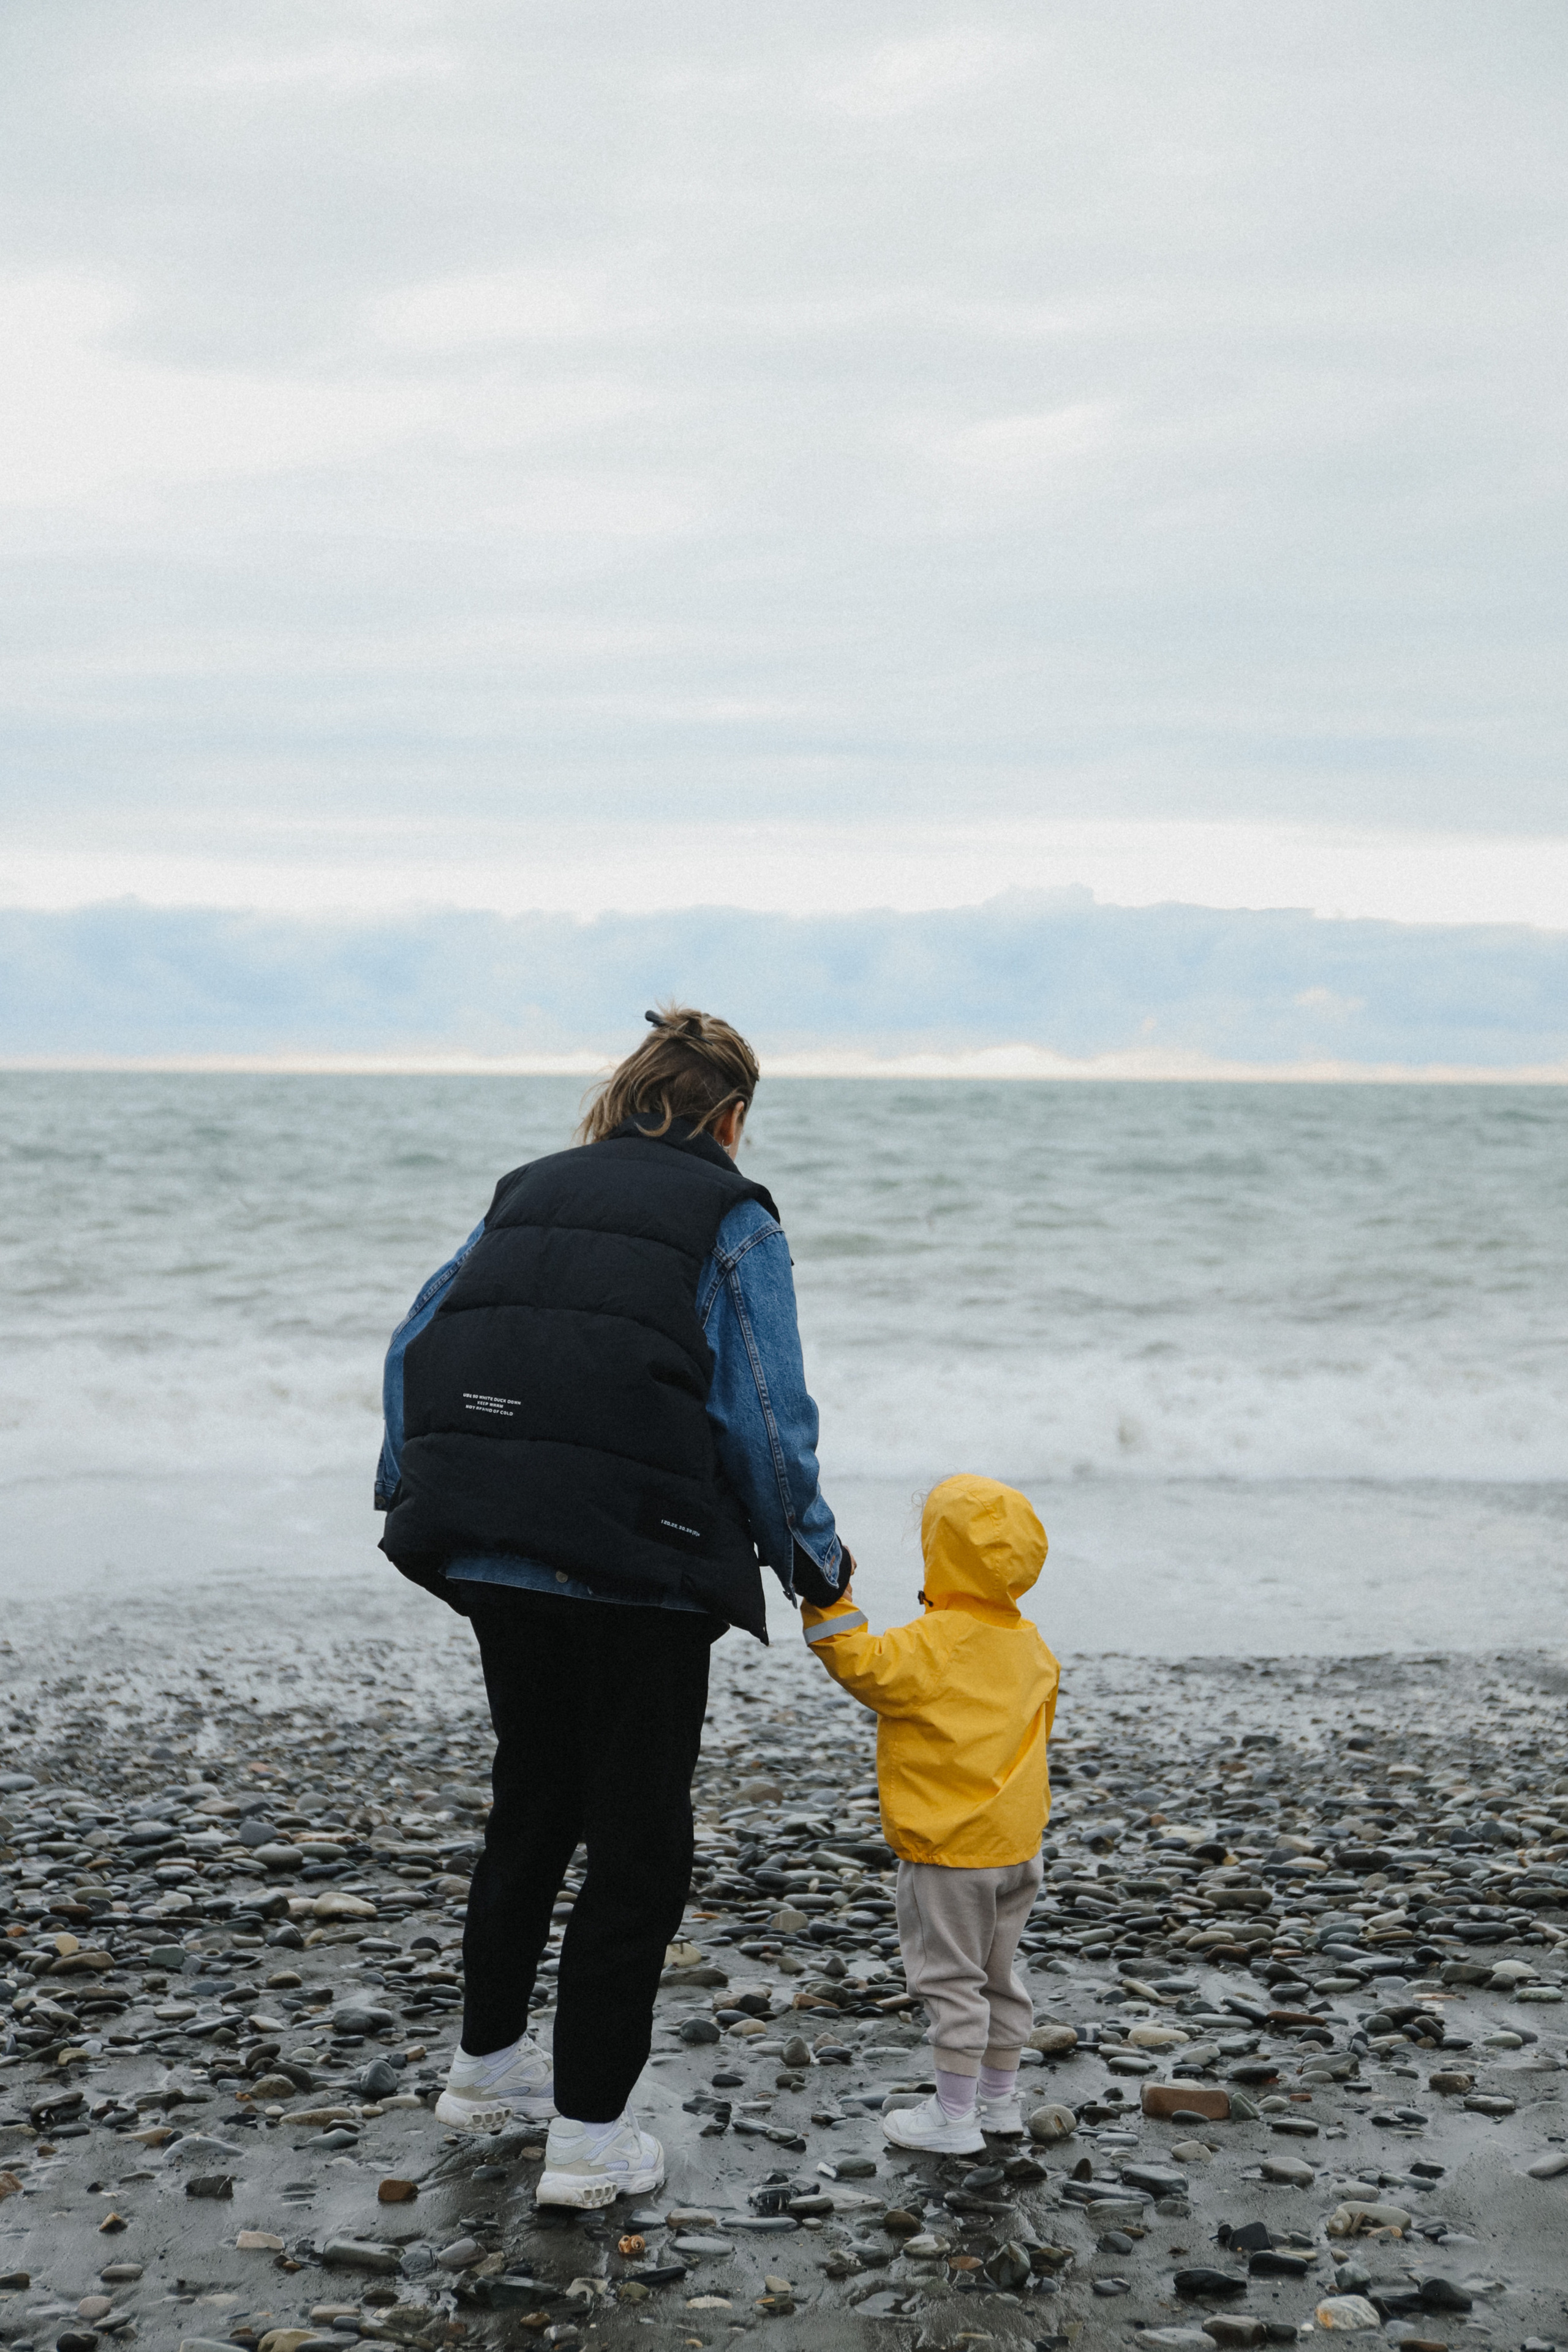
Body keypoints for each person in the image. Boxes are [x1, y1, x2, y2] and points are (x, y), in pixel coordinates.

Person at [375, 1006, 849, 2207]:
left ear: (624, 1096)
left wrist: (413, 1485)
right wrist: (815, 1566)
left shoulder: (524, 1191)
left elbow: (414, 1339)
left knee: (531, 1799)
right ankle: (587, 2141)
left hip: (489, 1538)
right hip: (637, 1562)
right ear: (729, 1115)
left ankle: (484, 2072)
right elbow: (760, 1408)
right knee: (637, 1840)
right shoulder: (731, 1217)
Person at [799, 1474, 1058, 2154]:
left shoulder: (935, 1640)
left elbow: (862, 1664)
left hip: (949, 1851)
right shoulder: (1030, 1644)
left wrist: (829, 1603)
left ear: (940, 1555)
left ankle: (953, 2117)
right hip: (1017, 1845)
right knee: (1001, 1978)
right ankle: (999, 2104)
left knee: (951, 1984)